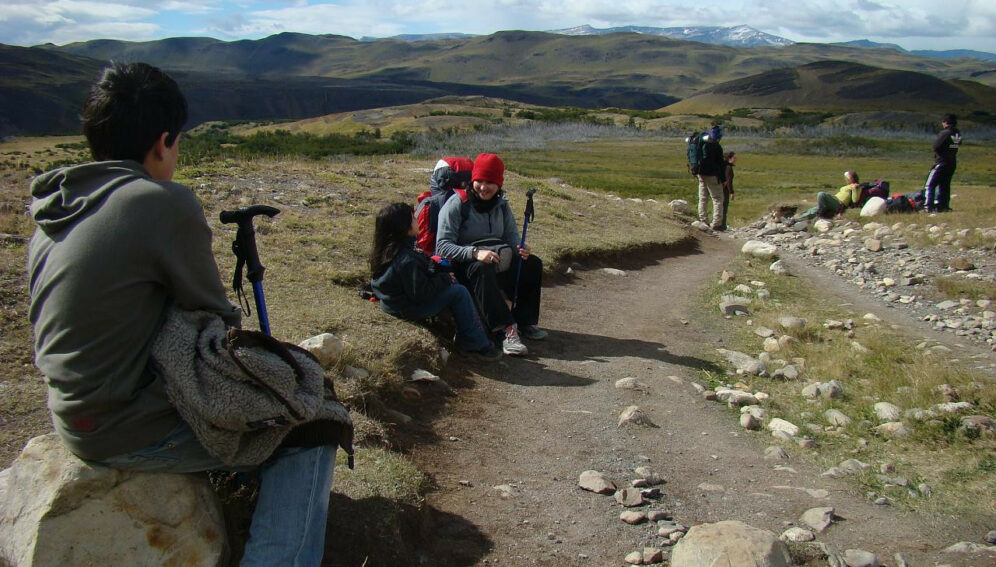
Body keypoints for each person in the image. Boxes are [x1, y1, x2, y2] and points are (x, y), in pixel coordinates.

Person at [27, 62, 338, 566]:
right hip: (123, 426)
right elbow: (215, 316)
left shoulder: (58, 204)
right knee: (311, 428)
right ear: (163, 141)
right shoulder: (158, 202)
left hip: (72, 409)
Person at [435, 153, 545, 356]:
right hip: (465, 265)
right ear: (472, 180)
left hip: (496, 259)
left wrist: (520, 249)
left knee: (532, 263)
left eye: (490, 182)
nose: (484, 187)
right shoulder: (457, 204)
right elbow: (442, 246)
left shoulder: (502, 205)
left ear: (499, 184)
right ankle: (505, 330)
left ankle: (525, 321)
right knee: (481, 268)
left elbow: (511, 236)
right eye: (479, 181)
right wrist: (474, 253)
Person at [370, 202, 501, 359]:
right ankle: (475, 343)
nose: (416, 219)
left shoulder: (388, 250)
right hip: (405, 307)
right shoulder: (406, 260)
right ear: (404, 227)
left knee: (454, 286)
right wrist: (443, 279)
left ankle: (469, 332)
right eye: (412, 218)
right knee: (459, 292)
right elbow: (420, 294)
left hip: (392, 303)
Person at [923, 113, 961, 212]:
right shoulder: (957, 133)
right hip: (952, 162)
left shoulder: (945, 133)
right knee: (945, 185)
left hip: (942, 162)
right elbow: (958, 144)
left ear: (945, 122)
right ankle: (943, 206)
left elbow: (936, 146)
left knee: (930, 185)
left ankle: (928, 207)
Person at [794, 170, 863, 221]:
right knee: (812, 210)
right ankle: (794, 220)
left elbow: (855, 200)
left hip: (839, 203)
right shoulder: (847, 186)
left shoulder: (856, 187)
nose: (846, 179)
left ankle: (822, 211)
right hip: (834, 199)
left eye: (847, 177)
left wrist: (854, 189)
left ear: (851, 178)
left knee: (821, 194)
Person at [696, 125, 727, 231]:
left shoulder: (703, 144)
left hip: (700, 173)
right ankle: (716, 224)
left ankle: (703, 220)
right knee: (717, 198)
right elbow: (720, 164)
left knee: (703, 197)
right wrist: (723, 179)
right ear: (719, 136)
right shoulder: (717, 147)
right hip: (712, 175)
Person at [718, 151, 736, 231]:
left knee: (721, 206)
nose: (736, 159)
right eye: (734, 158)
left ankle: (720, 224)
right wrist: (731, 192)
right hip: (724, 190)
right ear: (729, 158)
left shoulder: (724, 166)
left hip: (720, 188)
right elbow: (729, 181)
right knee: (724, 207)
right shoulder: (728, 168)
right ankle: (722, 225)